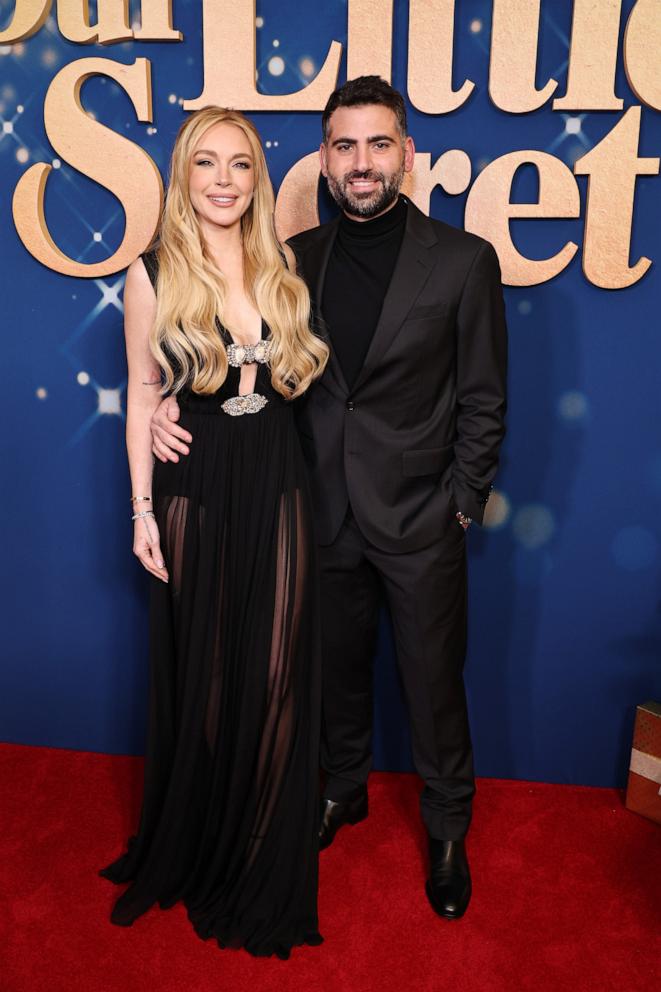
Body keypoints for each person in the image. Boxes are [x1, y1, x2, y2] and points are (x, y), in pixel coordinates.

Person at [151, 77, 508, 921]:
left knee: (432, 685)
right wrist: (169, 396)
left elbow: (484, 397)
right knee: (332, 675)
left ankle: (447, 830)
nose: (360, 162)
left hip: (421, 518)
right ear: (321, 157)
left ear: (405, 155)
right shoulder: (290, 259)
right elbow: (233, 348)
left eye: (378, 144)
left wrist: (462, 502)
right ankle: (341, 790)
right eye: (343, 146)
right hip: (313, 509)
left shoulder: (462, 261)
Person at [101, 106, 329, 959]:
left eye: (240, 164)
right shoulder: (152, 272)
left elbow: (301, 385)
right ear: (183, 175)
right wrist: (139, 508)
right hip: (193, 489)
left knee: (274, 678)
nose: (224, 180)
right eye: (207, 163)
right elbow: (137, 391)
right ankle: (199, 849)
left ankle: (258, 860)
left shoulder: (286, 268)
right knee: (209, 677)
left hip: (276, 484)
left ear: (257, 180)